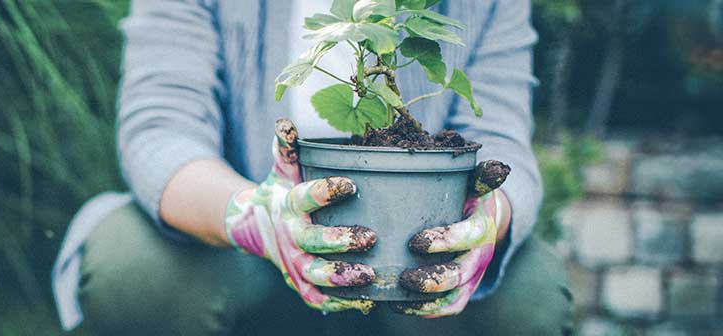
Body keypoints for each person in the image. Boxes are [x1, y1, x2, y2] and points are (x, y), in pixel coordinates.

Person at [52, 0, 574, 334]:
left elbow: (502, 137)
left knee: (528, 294)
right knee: (133, 268)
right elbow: (161, 129)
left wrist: (490, 219)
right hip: (234, 245)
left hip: (413, 248)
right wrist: (253, 217)